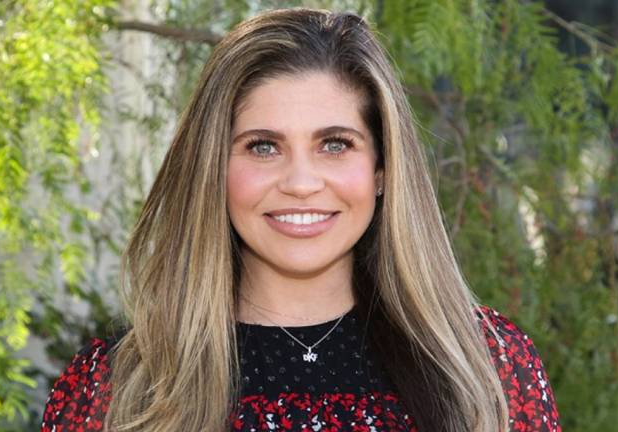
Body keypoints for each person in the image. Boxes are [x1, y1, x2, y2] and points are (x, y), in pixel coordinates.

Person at [41, 8, 560, 432]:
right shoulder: (118, 387)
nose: (301, 181)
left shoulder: (486, 368)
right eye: (263, 146)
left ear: (381, 168)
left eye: (335, 144)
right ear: (213, 170)